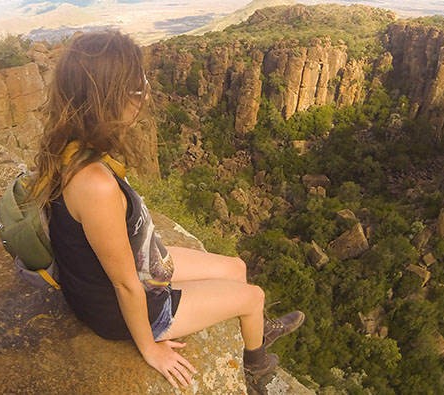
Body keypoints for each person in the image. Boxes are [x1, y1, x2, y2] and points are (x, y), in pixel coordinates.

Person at [28, 31, 305, 389]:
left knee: (237, 268)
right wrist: (150, 347)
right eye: (138, 84)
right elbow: (125, 284)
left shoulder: (72, 147)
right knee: (254, 297)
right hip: (123, 305)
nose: (144, 92)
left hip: (143, 260)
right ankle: (257, 365)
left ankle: (256, 329)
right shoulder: (93, 183)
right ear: (112, 99)